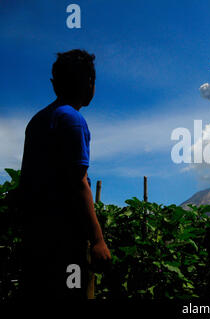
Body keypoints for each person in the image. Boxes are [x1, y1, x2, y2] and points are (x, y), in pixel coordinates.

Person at [18, 49, 111, 299]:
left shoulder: (37, 120)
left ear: (54, 84)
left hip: (35, 236)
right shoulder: (73, 119)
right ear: (89, 83)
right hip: (64, 237)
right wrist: (97, 240)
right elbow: (78, 183)